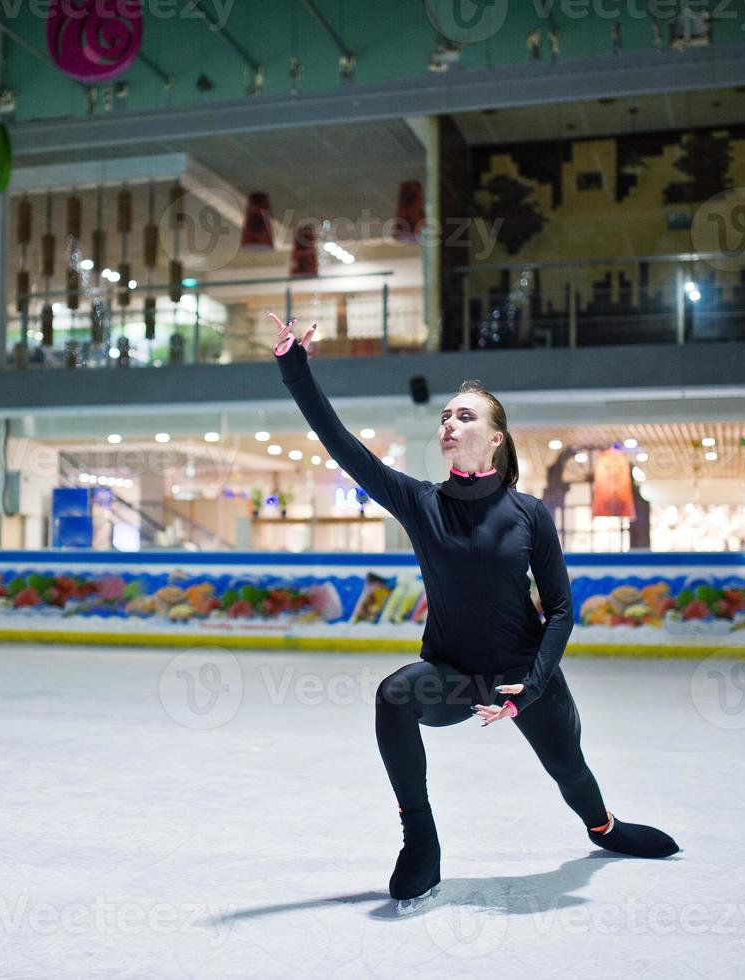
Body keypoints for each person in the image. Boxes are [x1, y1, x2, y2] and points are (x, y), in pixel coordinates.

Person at [269, 313, 679, 904]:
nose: (449, 422)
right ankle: (421, 842)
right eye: (445, 415)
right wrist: (295, 368)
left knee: (570, 771)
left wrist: (531, 688)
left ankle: (604, 828)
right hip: (455, 677)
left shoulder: (529, 514)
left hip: (524, 674)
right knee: (394, 694)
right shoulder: (420, 503)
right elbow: (341, 445)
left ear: (494, 439)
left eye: (465, 414)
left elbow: (562, 610)